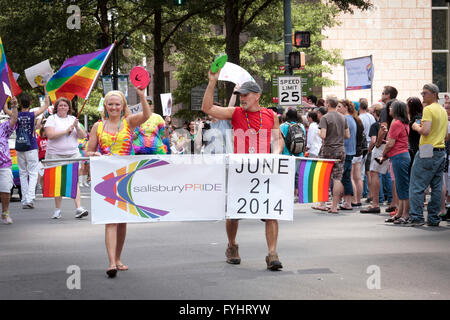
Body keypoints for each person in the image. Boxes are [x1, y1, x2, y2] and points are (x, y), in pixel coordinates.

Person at [202, 70, 285, 271]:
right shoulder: (235, 113)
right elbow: (207, 108)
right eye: (241, 95)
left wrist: (275, 154)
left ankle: (272, 253)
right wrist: (213, 81)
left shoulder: (270, 115)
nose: (242, 98)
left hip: (264, 170)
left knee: (271, 211)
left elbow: (278, 139)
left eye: (246, 95)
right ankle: (232, 246)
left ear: (257, 96)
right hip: (240, 170)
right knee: (234, 212)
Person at [86, 88, 151, 278]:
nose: (114, 107)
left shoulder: (128, 123)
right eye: (110, 104)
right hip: (105, 178)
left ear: (123, 106)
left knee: (122, 221)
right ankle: (111, 262)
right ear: (105, 106)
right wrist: (94, 154)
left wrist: (141, 94)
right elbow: (88, 151)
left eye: (117, 104)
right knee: (110, 220)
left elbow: (147, 115)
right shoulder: (97, 127)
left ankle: (118, 258)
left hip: (126, 178)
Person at [409, 83, 448, 227]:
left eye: (424, 93)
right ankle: (433, 218)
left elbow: (425, 131)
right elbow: (445, 134)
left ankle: (417, 217)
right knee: (436, 187)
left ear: (433, 94)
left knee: (417, 185)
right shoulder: (443, 110)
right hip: (440, 149)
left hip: (427, 149)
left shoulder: (429, 110)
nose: (422, 96)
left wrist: (415, 126)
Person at [2, 92, 49, 209]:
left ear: (20, 104)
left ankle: (24, 200)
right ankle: (30, 198)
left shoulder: (15, 115)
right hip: (31, 146)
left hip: (19, 147)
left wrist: (7, 97)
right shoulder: (33, 115)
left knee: (23, 173)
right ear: (31, 103)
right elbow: (46, 105)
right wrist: (45, 90)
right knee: (33, 173)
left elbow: (5, 109)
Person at [44, 97, 88, 219]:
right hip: (55, 155)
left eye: (65, 105)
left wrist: (77, 127)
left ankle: (79, 208)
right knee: (58, 181)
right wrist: (66, 130)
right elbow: (50, 135)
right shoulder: (51, 119)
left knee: (74, 180)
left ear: (69, 108)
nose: (63, 107)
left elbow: (83, 136)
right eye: (60, 105)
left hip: (73, 154)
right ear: (56, 107)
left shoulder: (73, 119)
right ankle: (57, 210)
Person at [379, 101, 411, 224]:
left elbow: (390, 143)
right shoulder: (402, 122)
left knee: (402, 187)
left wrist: (383, 154)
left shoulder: (396, 123)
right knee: (400, 186)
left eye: (392, 107)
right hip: (402, 155)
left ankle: (405, 214)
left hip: (398, 156)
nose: (389, 109)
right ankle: (400, 213)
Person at [318, 96, 350, 213]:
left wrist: (318, 132)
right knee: (337, 178)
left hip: (328, 150)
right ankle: (334, 206)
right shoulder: (343, 117)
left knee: (324, 177)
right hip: (341, 150)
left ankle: (322, 203)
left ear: (327, 104)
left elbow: (323, 135)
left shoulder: (325, 118)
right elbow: (347, 135)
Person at [0, 97, 18, 224]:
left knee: (6, 190)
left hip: (4, 164)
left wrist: (14, 106)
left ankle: (5, 212)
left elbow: (13, 119)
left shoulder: (3, 127)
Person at [337, 99, 357, 210]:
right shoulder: (352, 119)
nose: (337, 109)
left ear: (346, 107)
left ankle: (338, 200)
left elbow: (344, 135)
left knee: (339, 177)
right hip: (350, 151)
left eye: (339, 106)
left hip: (345, 151)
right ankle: (347, 202)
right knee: (346, 178)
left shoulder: (345, 119)